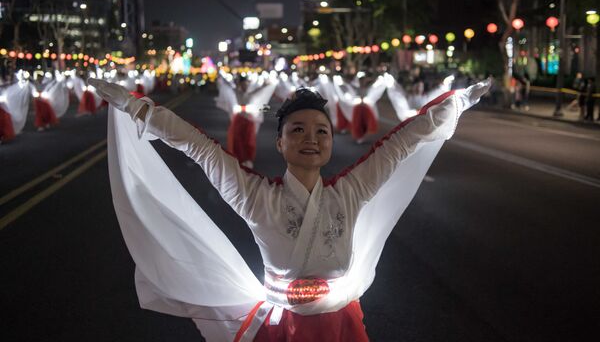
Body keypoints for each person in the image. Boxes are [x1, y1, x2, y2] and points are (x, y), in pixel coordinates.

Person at [89, 77, 490, 342]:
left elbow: (402, 142)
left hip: (341, 327)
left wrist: (455, 105)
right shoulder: (254, 195)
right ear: (280, 143)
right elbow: (197, 146)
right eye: (297, 130)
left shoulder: (351, 190)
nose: (310, 139)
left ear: (331, 143)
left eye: (321, 131)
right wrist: (138, 108)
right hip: (285, 330)